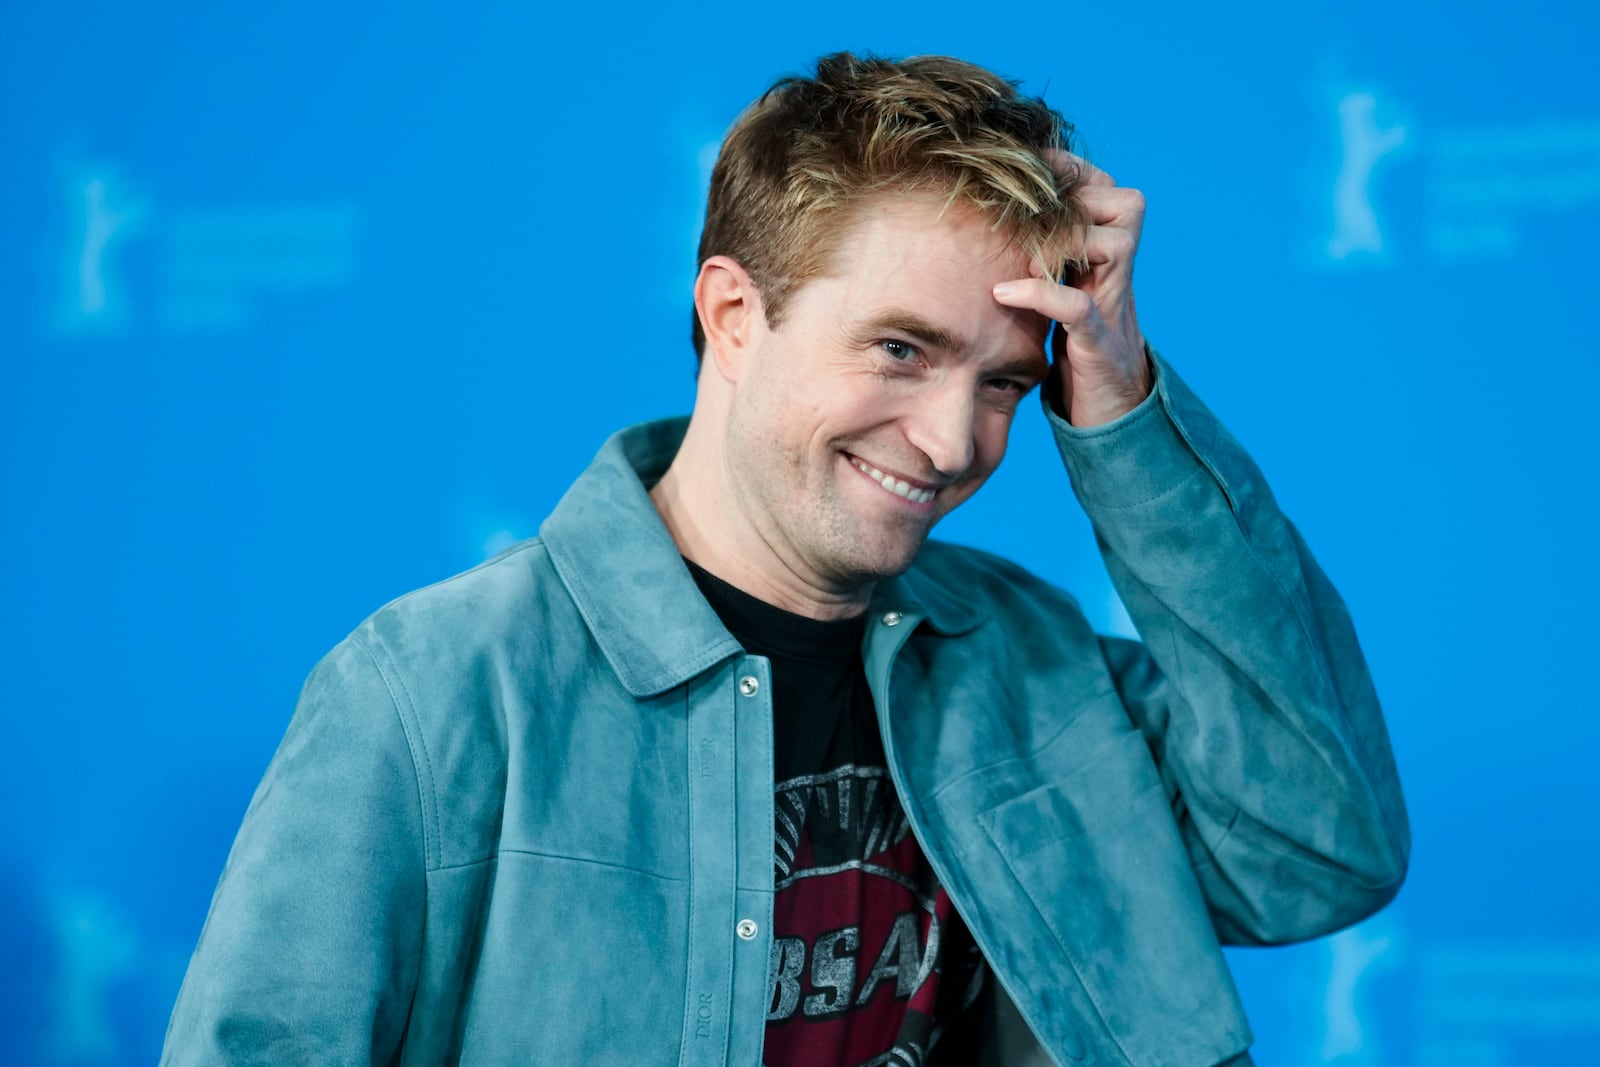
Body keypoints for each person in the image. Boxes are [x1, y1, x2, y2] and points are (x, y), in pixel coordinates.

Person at [162, 52, 1409, 1066]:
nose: (951, 440)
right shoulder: (431, 691)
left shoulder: (1027, 658)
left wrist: (1120, 408)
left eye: (1005, 383)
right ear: (732, 315)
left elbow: (1316, 848)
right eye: (901, 350)